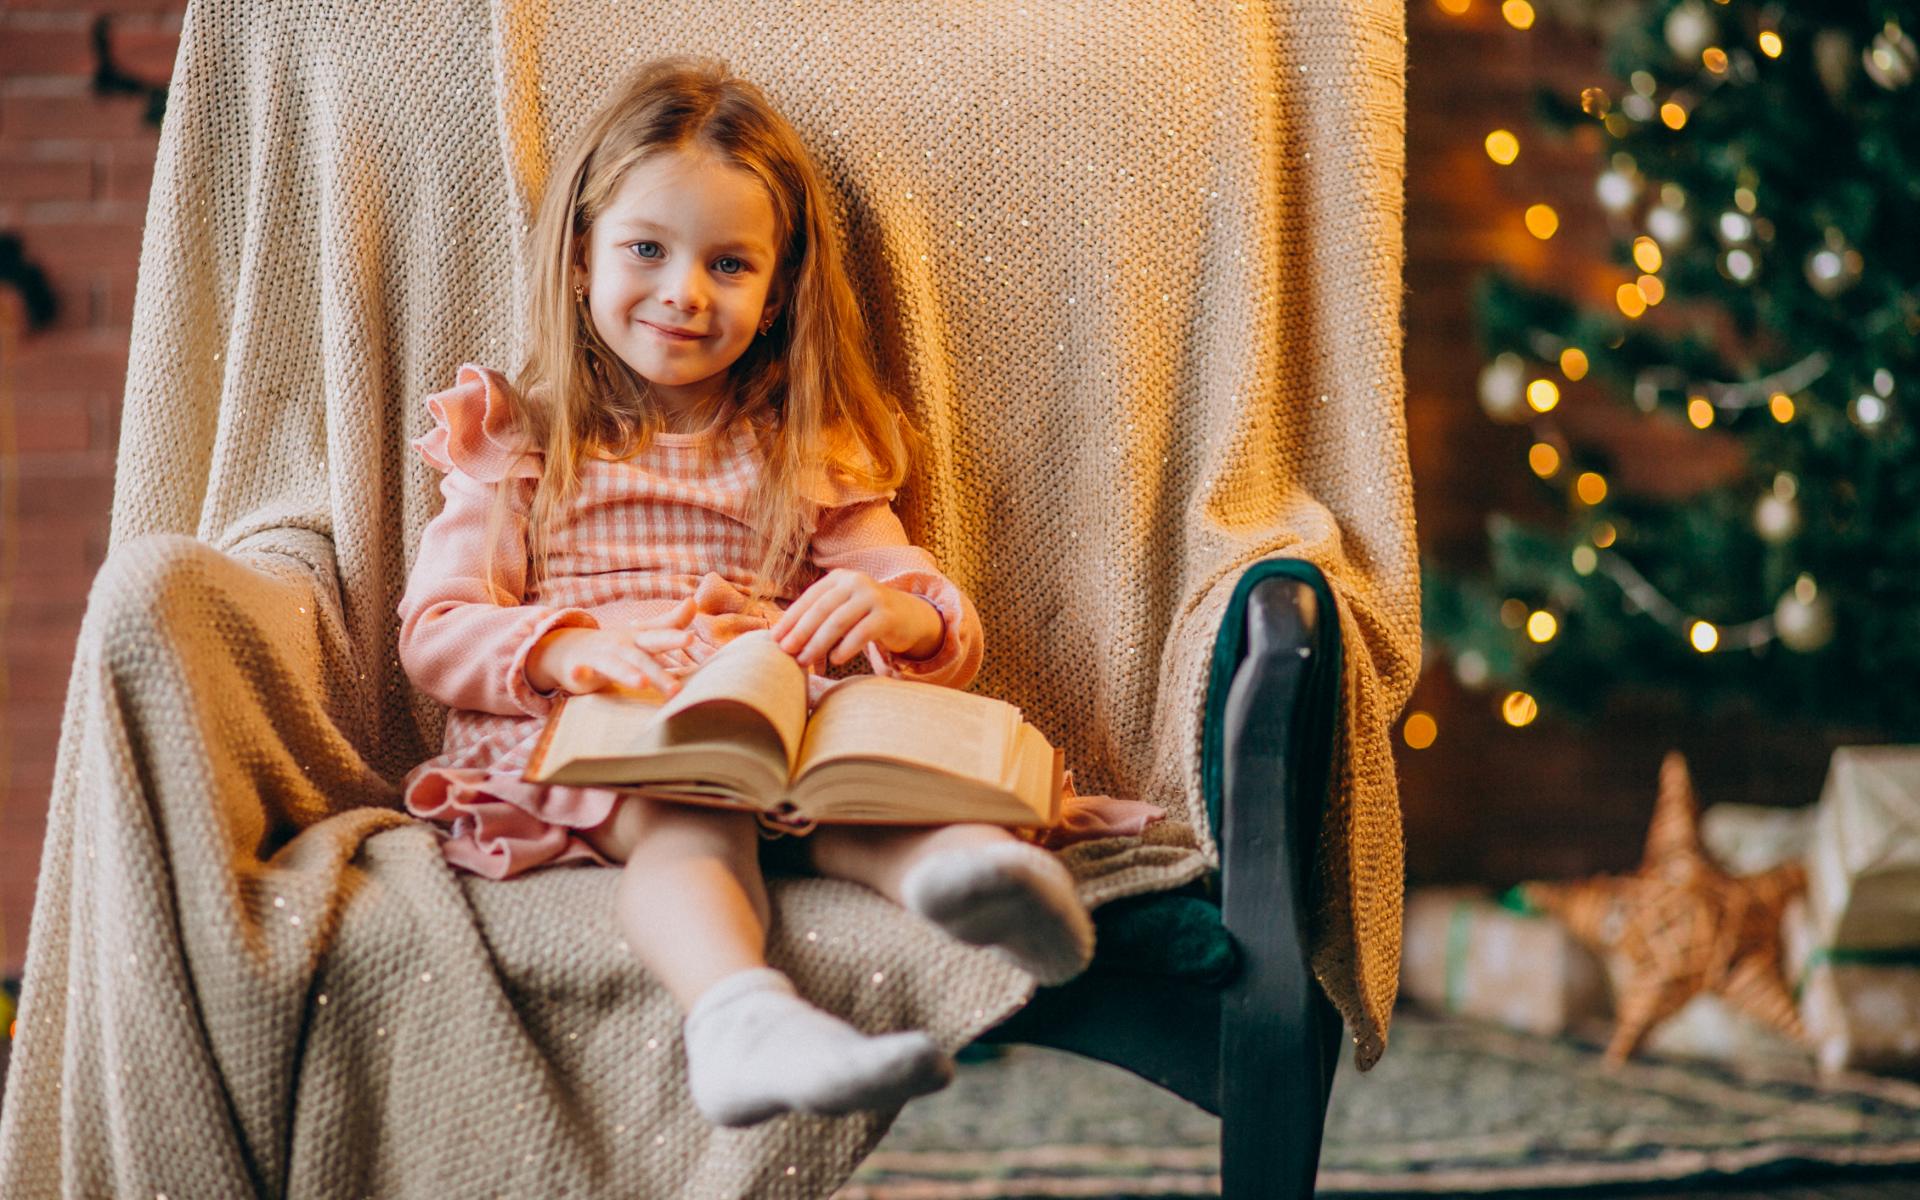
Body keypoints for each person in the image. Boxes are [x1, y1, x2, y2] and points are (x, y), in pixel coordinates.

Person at [397, 56, 1155, 1130]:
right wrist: (567, 649)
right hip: (605, 729)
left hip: (766, 718)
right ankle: (740, 1021)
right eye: (647, 250)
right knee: (688, 822)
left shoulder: (803, 449)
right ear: (578, 259)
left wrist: (900, 613)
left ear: (776, 293)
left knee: (848, 796)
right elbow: (436, 630)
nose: (684, 291)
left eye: (729, 263)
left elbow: (908, 590)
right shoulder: (520, 439)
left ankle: (963, 876)